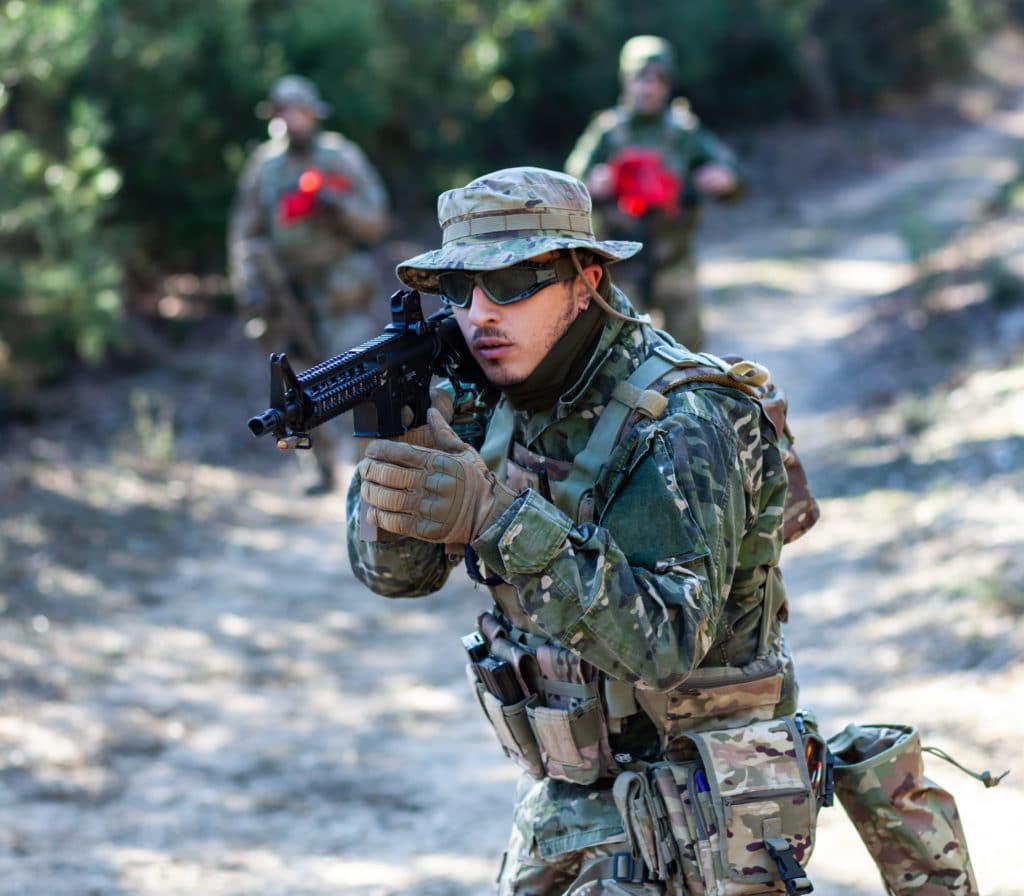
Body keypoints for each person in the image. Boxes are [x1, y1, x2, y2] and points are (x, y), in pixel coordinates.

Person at [346, 167, 823, 895]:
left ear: (584, 279)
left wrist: (496, 518)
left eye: (510, 283)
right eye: (458, 289)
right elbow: (396, 577)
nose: (479, 314)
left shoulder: (682, 420)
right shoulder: (492, 395)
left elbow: (663, 645)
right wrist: (400, 449)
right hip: (569, 796)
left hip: (701, 803)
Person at [229, 74, 389, 494]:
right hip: (285, 295)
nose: (291, 121)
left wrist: (337, 205)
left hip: (339, 290)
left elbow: (375, 221)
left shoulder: (341, 158)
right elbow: (244, 233)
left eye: (299, 112)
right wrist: (249, 288)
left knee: (358, 380)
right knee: (293, 389)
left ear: (314, 115)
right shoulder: (263, 168)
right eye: (283, 113)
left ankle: (370, 474)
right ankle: (321, 469)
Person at [565, 35, 745, 351]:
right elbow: (568, 184)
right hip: (620, 269)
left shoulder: (684, 132)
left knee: (688, 358)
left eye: (658, 79)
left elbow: (733, 174)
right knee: (619, 355)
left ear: (668, 83)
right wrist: (591, 183)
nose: (648, 87)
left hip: (675, 262)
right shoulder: (607, 132)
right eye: (640, 77)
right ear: (625, 80)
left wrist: (723, 179)